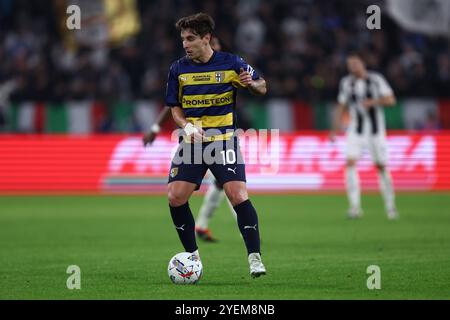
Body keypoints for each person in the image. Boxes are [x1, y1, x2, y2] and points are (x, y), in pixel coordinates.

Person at [160, 12, 267, 277]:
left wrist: (251, 84)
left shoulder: (231, 63)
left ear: (206, 38)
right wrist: (186, 126)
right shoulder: (178, 69)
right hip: (192, 142)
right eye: (183, 39)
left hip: (223, 141)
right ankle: (193, 258)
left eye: (191, 38)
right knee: (175, 197)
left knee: (237, 195)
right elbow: (174, 109)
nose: (185, 44)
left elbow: (263, 86)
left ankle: (255, 258)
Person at [143, 36, 237, 243]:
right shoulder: (187, 70)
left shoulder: (226, 67)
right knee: (224, 183)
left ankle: (203, 226)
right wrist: (156, 126)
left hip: (222, 134)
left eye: (218, 46)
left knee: (224, 182)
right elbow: (171, 104)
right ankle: (222, 226)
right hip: (196, 137)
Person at [330, 53, 398, 220]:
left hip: (375, 131)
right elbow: (341, 105)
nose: (352, 67)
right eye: (349, 64)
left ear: (363, 64)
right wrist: (334, 128)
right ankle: (355, 207)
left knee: (381, 166)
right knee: (350, 163)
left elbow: (391, 100)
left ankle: (390, 207)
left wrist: (373, 102)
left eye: (355, 63)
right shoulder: (346, 82)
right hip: (356, 130)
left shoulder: (376, 79)